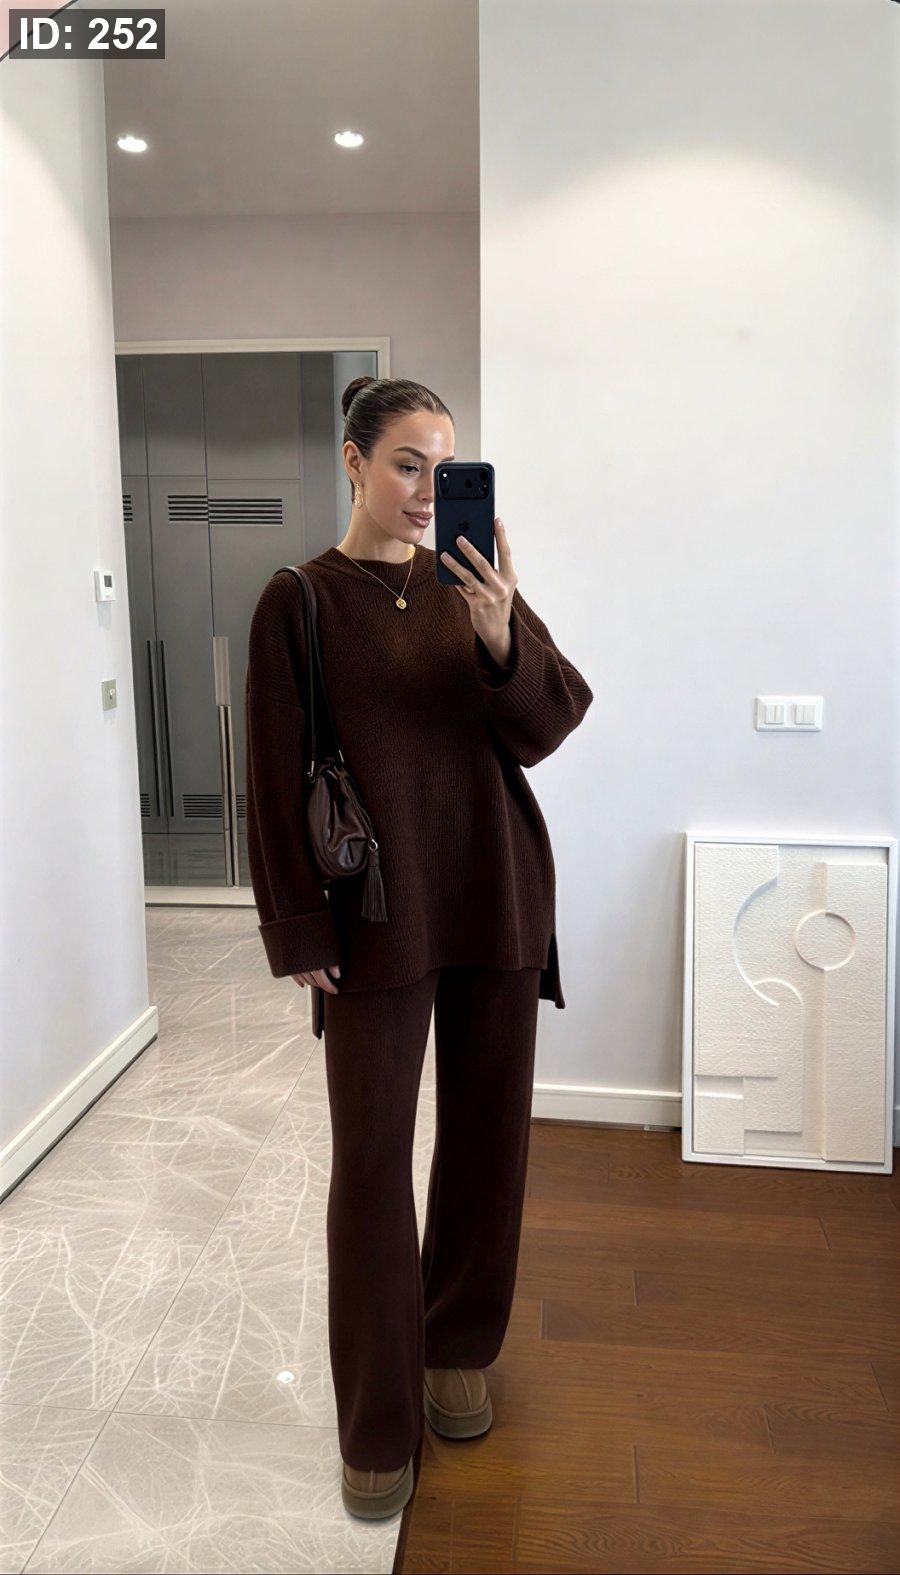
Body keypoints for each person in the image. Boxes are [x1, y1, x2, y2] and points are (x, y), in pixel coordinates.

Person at [244, 376, 593, 1520]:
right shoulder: (299, 600)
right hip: (377, 919)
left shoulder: (471, 584)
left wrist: (500, 632)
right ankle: (377, 1420)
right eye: (406, 464)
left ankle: (456, 1348)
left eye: (445, 469)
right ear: (353, 462)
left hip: (496, 895)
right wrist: (298, 926)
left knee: (488, 1147)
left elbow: (549, 724)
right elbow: (272, 776)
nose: (427, 490)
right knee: (371, 1166)